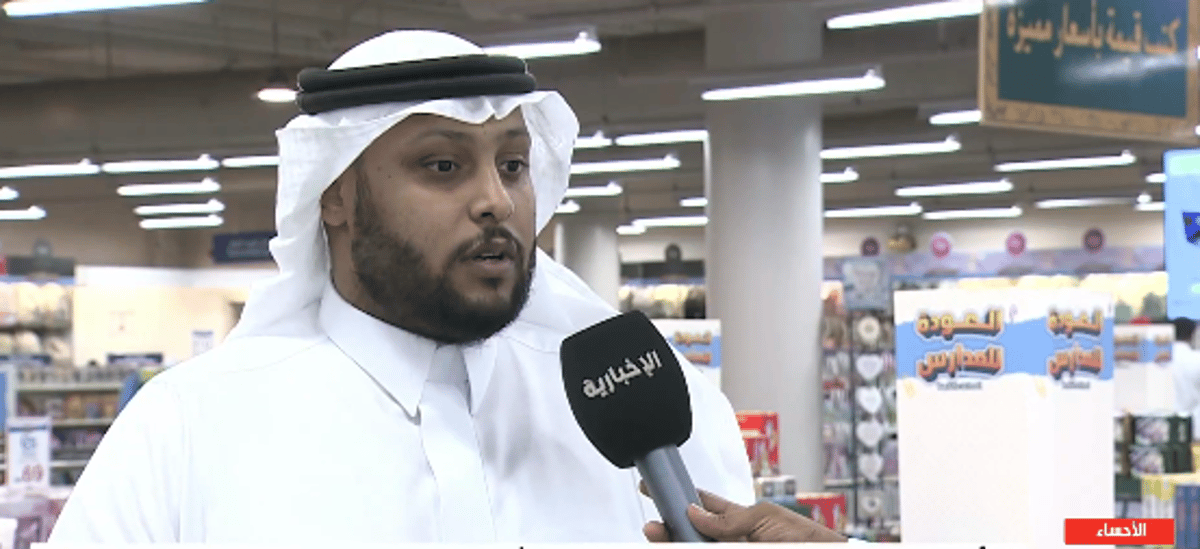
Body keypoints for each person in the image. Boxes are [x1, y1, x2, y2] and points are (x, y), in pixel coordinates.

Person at [46, 30, 760, 543]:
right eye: (444, 167)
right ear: (336, 196)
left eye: (513, 166)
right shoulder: (189, 430)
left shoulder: (659, 414)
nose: (496, 201)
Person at [1170, 317, 1200, 439]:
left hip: (1162, 427)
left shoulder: (1158, 359)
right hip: (1194, 428)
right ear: (1193, 334)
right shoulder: (1196, 359)